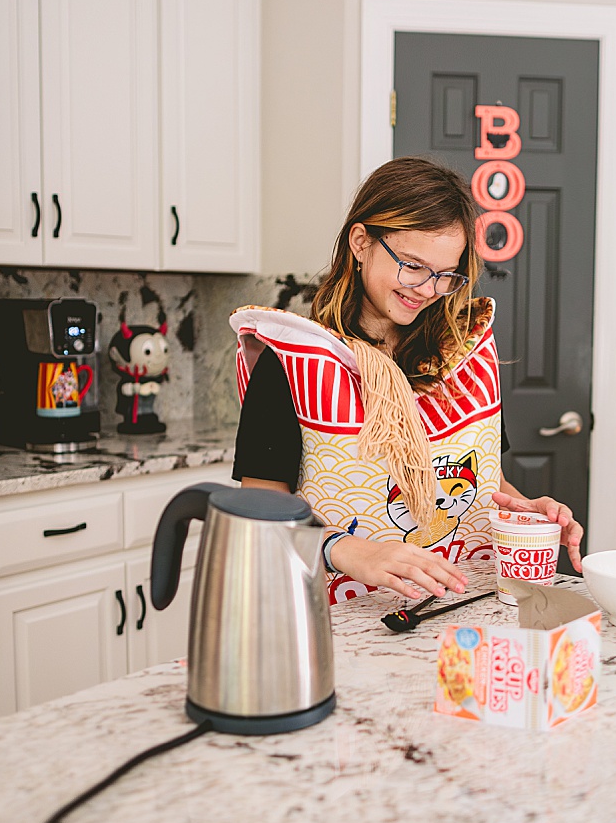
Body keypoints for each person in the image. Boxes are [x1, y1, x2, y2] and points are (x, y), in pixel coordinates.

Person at [230, 156, 583, 604]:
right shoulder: (292, 363)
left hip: (455, 609)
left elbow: (483, 484)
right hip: (340, 626)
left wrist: (525, 510)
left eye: (444, 276)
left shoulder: (464, 357)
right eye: (412, 265)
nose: (427, 289)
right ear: (361, 242)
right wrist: (349, 549)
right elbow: (257, 520)